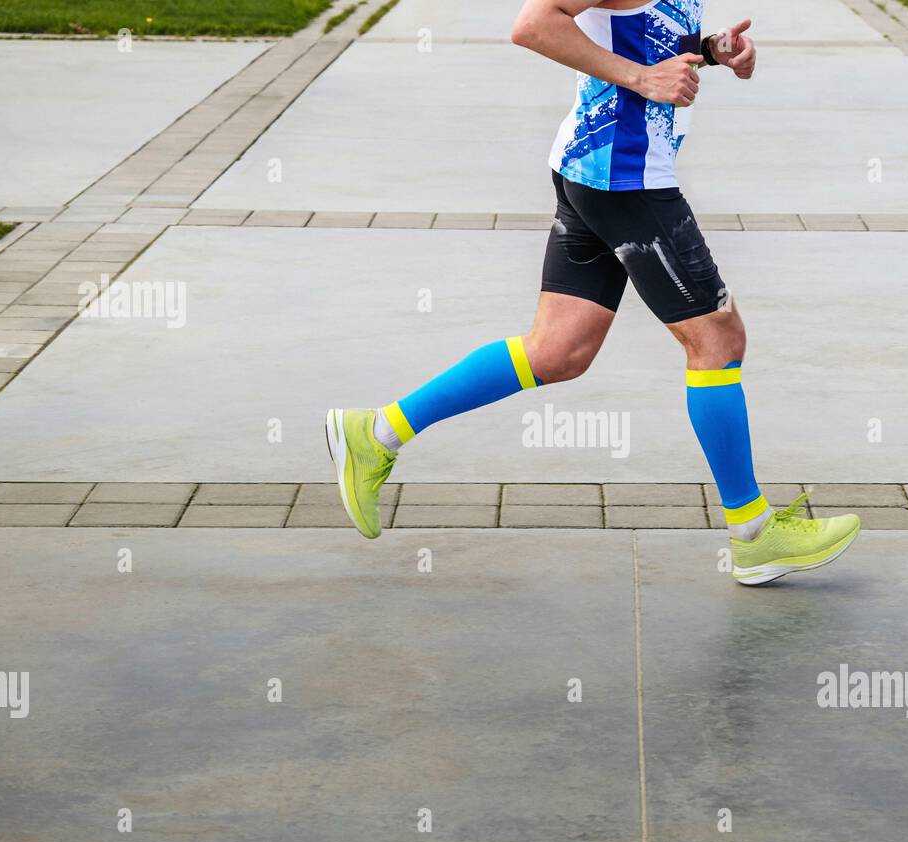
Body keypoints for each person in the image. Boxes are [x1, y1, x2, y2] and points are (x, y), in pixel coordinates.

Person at [325, 0, 859, 585]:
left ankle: (376, 432)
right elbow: (532, 24)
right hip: (625, 181)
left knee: (558, 351)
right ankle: (755, 536)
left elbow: (634, 31)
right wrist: (641, 77)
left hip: (596, 172)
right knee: (718, 341)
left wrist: (708, 51)